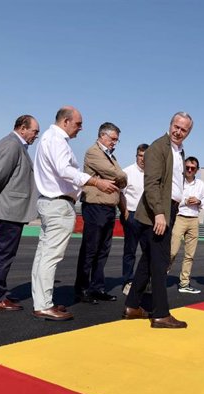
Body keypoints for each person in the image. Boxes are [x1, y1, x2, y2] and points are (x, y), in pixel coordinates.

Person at [31, 106, 119, 321]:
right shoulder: (56, 140)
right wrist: (96, 181)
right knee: (50, 256)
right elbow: (64, 169)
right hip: (57, 205)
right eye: (78, 124)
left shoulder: (50, 139)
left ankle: (43, 301)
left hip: (52, 203)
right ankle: (43, 305)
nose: (81, 129)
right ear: (66, 121)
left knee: (44, 255)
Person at [122, 112, 193, 328]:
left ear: (188, 132)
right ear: (170, 124)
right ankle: (161, 313)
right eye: (176, 126)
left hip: (168, 210)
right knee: (160, 263)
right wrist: (160, 214)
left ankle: (132, 306)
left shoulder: (178, 151)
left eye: (183, 129)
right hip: (157, 213)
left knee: (148, 261)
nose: (178, 131)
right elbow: (151, 183)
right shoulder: (157, 148)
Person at [0, 115, 40, 311]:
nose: (36, 136)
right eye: (34, 131)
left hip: (11, 210)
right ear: (23, 128)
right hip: (9, 210)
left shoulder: (14, 144)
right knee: (3, 255)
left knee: (3, 254)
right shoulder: (12, 145)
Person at [74, 122, 128, 304]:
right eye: (113, 139)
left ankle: (97, 287)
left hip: (108, 208)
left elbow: (119, 177)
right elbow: (119, 175)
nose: (115, 142)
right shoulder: (93, 153)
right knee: (90, 249)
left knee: (103, 251)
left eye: (116, 140)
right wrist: (119, 176)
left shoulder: (110, 156)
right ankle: (81, 289)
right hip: (95, 206)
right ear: (102, 136)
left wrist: (119, 177)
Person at [169, 156, 204, 294]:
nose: (190, 170)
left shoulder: (201, 184)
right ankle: (158, 279)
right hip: (179, 217)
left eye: (193, 168)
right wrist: (185, 201)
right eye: (188, 167)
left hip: (193, 219)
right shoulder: (178, 182)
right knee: (172, 252)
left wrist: (198, 201)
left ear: (197, 170)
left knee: (190, 255)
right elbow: (171, 200)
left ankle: (184, 283)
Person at [120, 143, 148, 296]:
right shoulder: (127, 172)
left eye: (146, 156)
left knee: (148, 251)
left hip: (148, 218)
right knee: (130, 251)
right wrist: (124, 212)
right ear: (136, 156)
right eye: (140, 155)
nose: (143, 159)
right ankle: (128, 281)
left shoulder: (153, 173)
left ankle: (144, 281)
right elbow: (120, 194)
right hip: (131, 215)